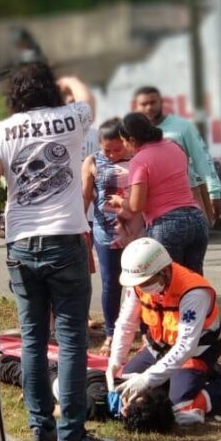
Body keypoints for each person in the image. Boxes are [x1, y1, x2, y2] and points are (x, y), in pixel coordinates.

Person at [0, 62, 113, 441]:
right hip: (64, 241)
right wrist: (66, 77)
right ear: (51, 91)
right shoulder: (68, 119)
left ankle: (41, 433)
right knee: (70, 342)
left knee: (33, 341)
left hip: (21, 245)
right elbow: (88, 97)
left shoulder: (0, 132)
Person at [108, 238, 221, 425]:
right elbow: (126, 323)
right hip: (159, 345)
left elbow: (186, 346)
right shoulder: (137, 284)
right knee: (124, 386)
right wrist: (115, 361)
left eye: (146, 282)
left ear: (164, 271)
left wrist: (148, 379)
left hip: (197, 349)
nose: (141, 287)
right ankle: (178, 379)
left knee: (182, 411)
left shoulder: (193, 292)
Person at [0, 334, 175, 433]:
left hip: (54, 383)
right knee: (33, 361)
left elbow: (64, 411)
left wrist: (37, 401)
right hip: (72, 370)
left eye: (134, 398)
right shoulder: (125, 389)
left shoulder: (97, 404)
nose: (132, 393)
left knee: (17, 372)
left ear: (125, 411)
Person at [112, 113, 209, 274]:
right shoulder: (175, 147)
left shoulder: (139, 160)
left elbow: (136, 205)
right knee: (193, 281)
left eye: (123, 141)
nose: (124, 145)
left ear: (132, 140)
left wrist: (119, 200)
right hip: (196, 220)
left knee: (168, 281)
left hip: (168, 225)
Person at [82, 118, 140, 355]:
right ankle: (111, 334)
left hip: (136, 231)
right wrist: (79, 226)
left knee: (140, 282)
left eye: (118, 148)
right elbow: (85, 197)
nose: (114, 154)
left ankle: (147, 333)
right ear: (100, 143)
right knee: (110, 283)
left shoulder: (137, 158)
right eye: (108, 149)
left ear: (126, 142)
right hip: (105, 231)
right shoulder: (93, 161)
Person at [132, 87, 221, 224]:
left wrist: (214, 191)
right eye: (144, 104)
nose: (149, 107)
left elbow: (202, 159)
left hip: (186, 197)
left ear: (161, 102)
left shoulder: (182, 127)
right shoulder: (131, 132)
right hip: (148, 202)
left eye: (153, 102)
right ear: (136, 106)